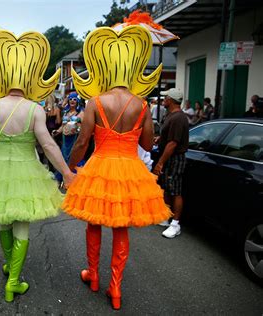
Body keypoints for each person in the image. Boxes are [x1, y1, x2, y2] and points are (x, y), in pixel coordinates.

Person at [62, 26, 172, 310]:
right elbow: (147, 146)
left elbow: (83, 141)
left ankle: (94, 276)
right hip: (129, 171)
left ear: (105, 71)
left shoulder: (95, 102)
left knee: (94, 222)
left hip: (100, 167)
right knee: (121, 229)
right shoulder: (142, 105)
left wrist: (70, 169)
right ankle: (116, 288)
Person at [0, 30, 75, 303]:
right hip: (26, 170)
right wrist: (67, 173)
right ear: (28, 79)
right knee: (21, 224)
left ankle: (10, 266)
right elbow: (47, 145)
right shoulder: (35, 109)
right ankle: (13, 279)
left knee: (3, 222)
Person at [153, 88, 189, 238]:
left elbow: (173, 143)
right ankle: (166, 217)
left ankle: (175, 224)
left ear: (172, 100)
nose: (164, 99)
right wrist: (159, 139)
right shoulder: (171, 115)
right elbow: (168, 138)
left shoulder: (178, 118)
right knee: (167, 188)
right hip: (169, 157)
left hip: (174, 158)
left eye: (166, 97)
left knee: (175, 191)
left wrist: (160, 163)